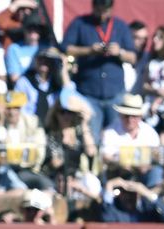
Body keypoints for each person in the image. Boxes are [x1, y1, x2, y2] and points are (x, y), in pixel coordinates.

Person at [61, 0, 135, 137]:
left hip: (115, 92)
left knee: (116, 135)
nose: (102, 15)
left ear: (111, 8)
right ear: (93, 7)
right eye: (99, 10)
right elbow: (66, 48)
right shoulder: (80, 23)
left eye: (105, 11)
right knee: (91, 136)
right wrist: (89, 50)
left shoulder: (120, 26)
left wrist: (120, 52)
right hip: (89, 92)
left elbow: (133, 57)